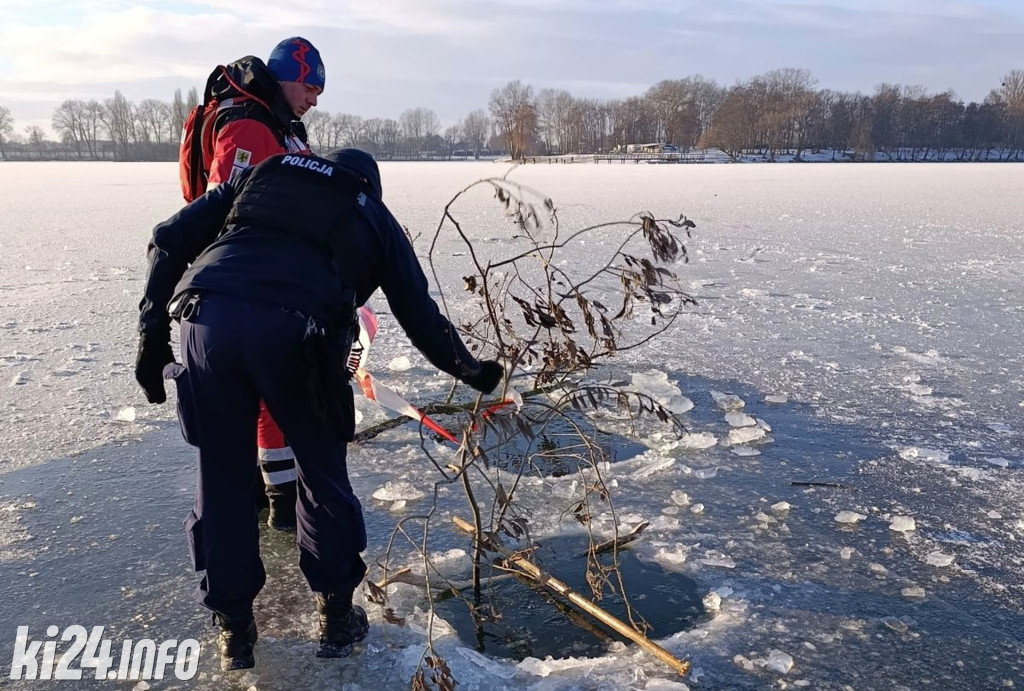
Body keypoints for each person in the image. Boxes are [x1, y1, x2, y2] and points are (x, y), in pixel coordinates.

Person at [135, 148, 502, 670]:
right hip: (297, 333)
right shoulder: (370, 211)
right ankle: (335, 617)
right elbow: (417, 312)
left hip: (207, 320)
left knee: (222, 476)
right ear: (369, 185)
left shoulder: (260, 175)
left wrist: (151, 335)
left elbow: (168, 238)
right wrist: (473, 371)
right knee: (319, 472)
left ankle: (234, 631)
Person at [188, 36, 327, 530]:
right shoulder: (249, 125)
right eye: (311, 88)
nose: (314, 99)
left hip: (266, 276)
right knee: (270, 387)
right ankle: (281, 501)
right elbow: (228, 207)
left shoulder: (273, 120)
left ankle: (262, 489)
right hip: (250, 283)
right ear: (289, 75)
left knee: (261, 390)